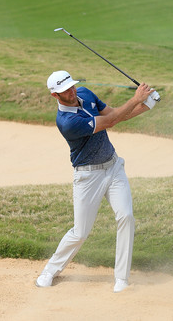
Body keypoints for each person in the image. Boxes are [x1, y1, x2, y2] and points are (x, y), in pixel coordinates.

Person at [36, 70, 158, 293]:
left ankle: (121, 278)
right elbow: (110, 122)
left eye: (72, 86)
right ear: (55, 95)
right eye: (65, 91)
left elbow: (114, 114)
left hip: (113, 167)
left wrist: (146, 106)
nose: (72, 92)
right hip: (87, 176)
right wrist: (136, 99)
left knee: (126, 216)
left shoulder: (85, 94)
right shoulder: (67, 122)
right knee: (80, 232)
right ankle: (50, 271)